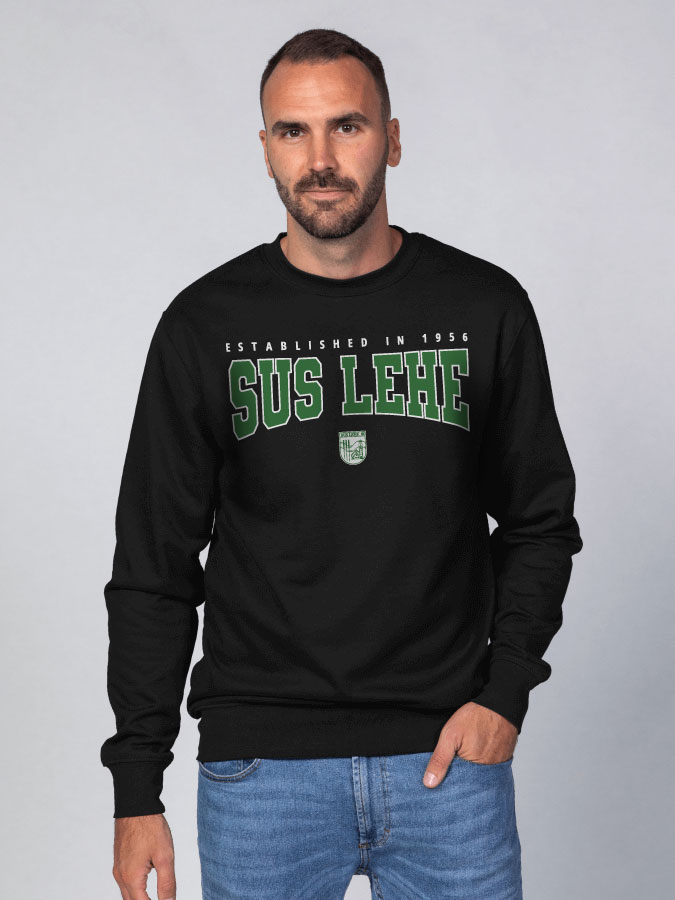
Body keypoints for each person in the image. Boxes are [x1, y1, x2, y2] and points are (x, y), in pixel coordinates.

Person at [102, 27, 583, 900]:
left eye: (347, 127)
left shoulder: (483, 307)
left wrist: (504, 693)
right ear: (265, 148)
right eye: (293, 131)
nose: (319, 159)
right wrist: (137, 786)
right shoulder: (204, 325)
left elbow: (539, 521)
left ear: (391, 139)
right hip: (261, 771)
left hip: (448, 761)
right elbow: (153, 567)